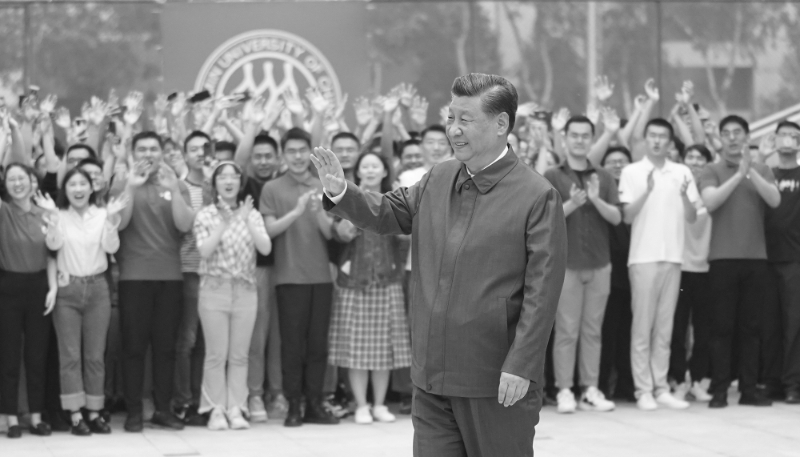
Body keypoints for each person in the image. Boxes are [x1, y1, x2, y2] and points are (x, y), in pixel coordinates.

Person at [313, 73, 566, 456]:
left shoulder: (537, 195)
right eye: (451, 118)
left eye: (466, 119)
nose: (454, 130)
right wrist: (341, 192)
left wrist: (521, 364)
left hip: (496, 381)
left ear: (501, 124)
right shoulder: (439, 176)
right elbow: (388, 212)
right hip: (431, 379)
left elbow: (542, 293)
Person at [110, 131, 195, 432]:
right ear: (133, 154)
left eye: (154, 149)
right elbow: (119, 225)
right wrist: (131, 188)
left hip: (170, 278)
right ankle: (134, 412)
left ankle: (163, 409)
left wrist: (174, 188)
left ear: (162, 153)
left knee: (166, 348)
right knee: (133, 348)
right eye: (142, 149)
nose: (148, 153)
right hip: (134, 278)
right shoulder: (122, 184)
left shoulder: (176, 184)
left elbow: (185, 225)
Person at [699, 116, 781, 408]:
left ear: (747, 136)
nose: (732, 138)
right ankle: (720, 390)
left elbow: (774, 200)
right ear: (720, 139)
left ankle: (748, 389)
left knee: (752, 328)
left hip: (755, 259)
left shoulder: (762, 169)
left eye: (737, 133)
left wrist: (751, 172)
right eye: (726, 133)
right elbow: (710, 202)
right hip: (722, 258)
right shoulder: (711, 169)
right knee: (721, 327)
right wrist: (737, 175)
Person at [259, 128, 339, 427]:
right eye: (290, 151)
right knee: (291, 345)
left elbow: (330, 232)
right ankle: (293, 404)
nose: (296, 156)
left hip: (320, 278)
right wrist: (296, 211)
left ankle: (315, 403)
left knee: (318, 344)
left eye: (301, 150)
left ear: (310, 152)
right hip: (288, 277)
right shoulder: (272, 188)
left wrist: (318, 209)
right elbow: (268, 231)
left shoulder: (323, 183)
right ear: (283, 154)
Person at [618, 118, 698, 411]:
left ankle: (661, 386)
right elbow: (627, 216)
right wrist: (648, 190)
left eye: (662, 136)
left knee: (665, 328)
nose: (657, 141)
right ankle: (643, 390)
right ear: (645, 139)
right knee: (642, 327)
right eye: (652, 135)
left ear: (670, 141)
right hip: (642, 258)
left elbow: (692, 217)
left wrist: (684, 197)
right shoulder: (632, 172)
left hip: (674, 257)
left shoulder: (682, 172)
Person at [328, 151, 412, 425]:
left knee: (384, 348)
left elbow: (406, 236)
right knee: (355, 348)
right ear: (359, 172)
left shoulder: (396, 199)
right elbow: (339, 234)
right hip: (354, 283)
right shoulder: (348, 197)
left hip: (387, 280)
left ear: (384, 171)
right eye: (366, 166)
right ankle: (361, 404)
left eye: (376, 165)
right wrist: (352, 218)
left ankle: (379, 404)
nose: (371, 170)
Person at [544, 116, 621, 414]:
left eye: (585, 135)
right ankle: (564, 390)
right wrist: (574, 203)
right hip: (567, 264)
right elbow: (545, 219)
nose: (579, 140)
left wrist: (595, 199)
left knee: (593, 330)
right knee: (566, 330)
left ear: (592, 138)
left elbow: (617, 218)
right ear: (564, 139)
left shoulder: (602, 175)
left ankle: (590, 388)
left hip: (600, 263)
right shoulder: (552, 174)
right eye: (574, 135)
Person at [43, 168, 127, 435]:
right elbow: (53, 245)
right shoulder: (58, 215)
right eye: (72, 184)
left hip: (98, 288)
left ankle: (94, 412)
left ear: (92, 188)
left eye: (83, 184)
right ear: (65, 190)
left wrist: (112, 220)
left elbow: (112, 248)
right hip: (68, 290)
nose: (78, 189)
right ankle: (75, 414)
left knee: (94, 357)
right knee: (69, 356)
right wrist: (54, 219)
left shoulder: (102, 215)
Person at [194, 162, 272, 431]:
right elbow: (203, 251)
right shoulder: (205, 215)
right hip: (214, 289)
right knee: (216, 354)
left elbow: (264, 247)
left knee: (240, 355)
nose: (228, 181)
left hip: (246, 290)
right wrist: (224, 223)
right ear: (214, 183)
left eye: (233, 177)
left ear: (240, 182)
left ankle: (237, 407)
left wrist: (247, 220)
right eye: (222, 177)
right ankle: (215, 409)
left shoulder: (251, 213)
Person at [0, 164, 58, 438]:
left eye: (21, 178)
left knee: (37, 355)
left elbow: (51, 254)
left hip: (39, 286)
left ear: (32, 182)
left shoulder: (45, 213)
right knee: (9, 356)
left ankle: (36, 416)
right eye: (11, 179)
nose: (17, 183)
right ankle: (10, 418)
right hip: (8, 286)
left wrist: (53, 287)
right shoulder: (3, 211)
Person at [235, 130, 287, 421]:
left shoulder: (285, 182)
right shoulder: (245, 184)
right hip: (257, 267)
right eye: (258, 157)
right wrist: (251, 126)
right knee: (258, 334)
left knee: (281, 335)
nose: (264, 161)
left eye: (269, 156)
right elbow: (238, 162)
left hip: (288, 266)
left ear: (279, 159)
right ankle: (254, 394)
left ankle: (277, 392)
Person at [668, 144, 714, 402]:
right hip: (680, 267)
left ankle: (697, 380)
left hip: (706, 268)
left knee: (703, 329)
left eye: (700, 158)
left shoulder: (712, 192)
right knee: (677, 328)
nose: (695, 162)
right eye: (690, 157)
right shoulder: (676, 189)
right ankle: (678, 379)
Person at [173, 131, 211, 426]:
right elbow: (184, 225)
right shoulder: (180, 186)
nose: (200, 153)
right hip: (189, 271)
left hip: (217, 273)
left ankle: (202, 400)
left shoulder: (219, 184)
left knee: (206, 343)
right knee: (187, 339)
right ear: (184, 155)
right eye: (193, 148)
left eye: (205, 148)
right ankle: (183, 401)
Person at [765, 120, 800, 404]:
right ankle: (772, 380)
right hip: (764, 257)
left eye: (793, 136)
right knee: (769, 323)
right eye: (783, 136)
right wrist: (761, 159)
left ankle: (793, 384)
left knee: (794, 324)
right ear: (774, 140)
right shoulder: (767, 173)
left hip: (794, 259)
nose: (787, 140)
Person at [598, 147, 635, 401]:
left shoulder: (638, 190)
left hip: (633, 271)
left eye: (622, 161)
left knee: (627, 332)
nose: (617, 165)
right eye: (611, 162)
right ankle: (600, 386)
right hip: (605, 270)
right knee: (605, 332)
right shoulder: (599, 191)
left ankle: (626, 386)